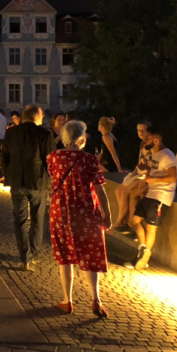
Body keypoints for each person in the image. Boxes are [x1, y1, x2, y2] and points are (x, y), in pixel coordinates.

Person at [47, 120, 112, 317]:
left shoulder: (53, 158)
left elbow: (54, 179)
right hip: (86, 212)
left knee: (65, 258)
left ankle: (68, 300)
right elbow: (100, 190)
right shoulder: (90, 160)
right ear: (82, 137)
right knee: (89, 254)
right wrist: (106, 214)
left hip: (61, 211)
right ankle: (95, 299)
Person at [0, 105, 53, 271]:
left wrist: (8, 176)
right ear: (37, 117)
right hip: (38, 182)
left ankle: (25, 257)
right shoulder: (45, 134)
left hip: (17, 181)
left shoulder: (11, 133)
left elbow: (4, 157)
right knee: (37, 219)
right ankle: (34, 253)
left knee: (20, 220)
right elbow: (50, 160)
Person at [128, 125, 177, 270]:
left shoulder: (167, 156)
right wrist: (144, 171)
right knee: (133, 220)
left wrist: (153, 180)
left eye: (148, 137)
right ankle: (143, 250)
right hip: (150, 193)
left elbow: (173, 177)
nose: (144, 139)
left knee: (151, 227)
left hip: (161, 196)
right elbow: (151, 169)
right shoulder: (152, 154)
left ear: (156, 141)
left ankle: (143, 258)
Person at [111, 121, 153, 229]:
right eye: (139, 130)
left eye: (143, 130)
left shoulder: (152, 145)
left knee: (125, 192)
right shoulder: (143, 144)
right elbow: (140, 163)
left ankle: (120, 222)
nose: (140, 133)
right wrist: (132, 174)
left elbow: (152, 165)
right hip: (139, 174)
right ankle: (123, 220)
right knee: (118, 191)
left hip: (146, 176)